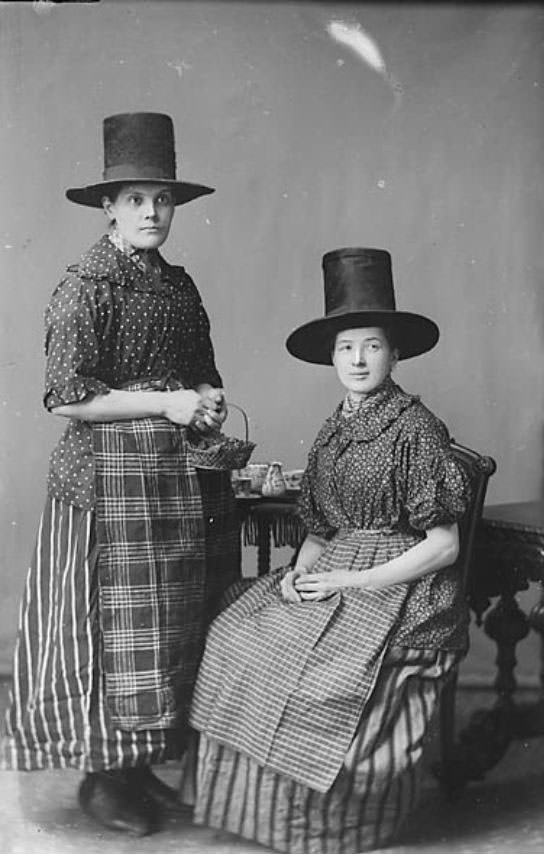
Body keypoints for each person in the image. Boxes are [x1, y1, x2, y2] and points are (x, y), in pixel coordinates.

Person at [0, 112, 241, 837]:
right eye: (135, 199)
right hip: (102, 488)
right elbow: (67, 397)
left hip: (169, 484)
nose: (151, 213)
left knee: (162, 632)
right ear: (108, 206)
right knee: (107, 632)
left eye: (161, 200)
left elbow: (201, 375)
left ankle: (137, 770)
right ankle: (101, 780)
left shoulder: (177, 288)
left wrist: (204, 403)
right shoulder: (86, 286)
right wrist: (168, 402)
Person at [188, 247, 472, 853]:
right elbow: (318, 531)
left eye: (372, 345)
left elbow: (444, 545)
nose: (359, 359)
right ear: (332, 358)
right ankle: (255, 813)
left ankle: (323, 827)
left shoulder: (415, 428)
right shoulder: (335, 427)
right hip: (338, 567)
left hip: (402, 584)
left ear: (395, 354)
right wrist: (297, 575)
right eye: (347, 347)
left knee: (312, 670)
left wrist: (353, 584)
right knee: (239, 632)